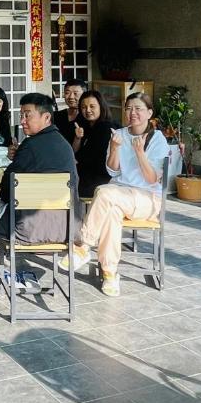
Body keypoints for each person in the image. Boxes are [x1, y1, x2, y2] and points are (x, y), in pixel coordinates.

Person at [61, 92, 169, 297]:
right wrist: (115, 148)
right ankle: (110, 273)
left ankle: (83, 245)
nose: (132, 113)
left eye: (138, 108)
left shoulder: (158, 140)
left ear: (149, 113)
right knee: (111, 212)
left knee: (103, 192)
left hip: (147, 199)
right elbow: (112, 171)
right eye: (129, 108)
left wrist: (139, 153)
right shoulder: (119, 134)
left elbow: (152, 179)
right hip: (120, 194)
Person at [0, 93, 77, 244]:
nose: (22, 121)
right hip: (62, 227)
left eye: (27, 116)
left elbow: (6, 188)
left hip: (25, 228)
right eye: (21, 115)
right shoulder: (64, 145)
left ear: (46, 117)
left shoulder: (30, 145)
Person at [74, 90, 114, 199]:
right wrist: (78, 138)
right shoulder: (83, 125)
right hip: (83, 175)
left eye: (92, 106)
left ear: (101, 106)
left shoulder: (107, 128)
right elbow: (75, 152)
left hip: (100, 180)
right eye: (83, 107)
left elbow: (94, 158)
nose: (88, 110)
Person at [52, 78, 86, 153]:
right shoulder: (56, 116)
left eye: (75, 93)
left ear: (84, 95)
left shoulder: (86, 117)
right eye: (67, 93)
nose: (71, 97)